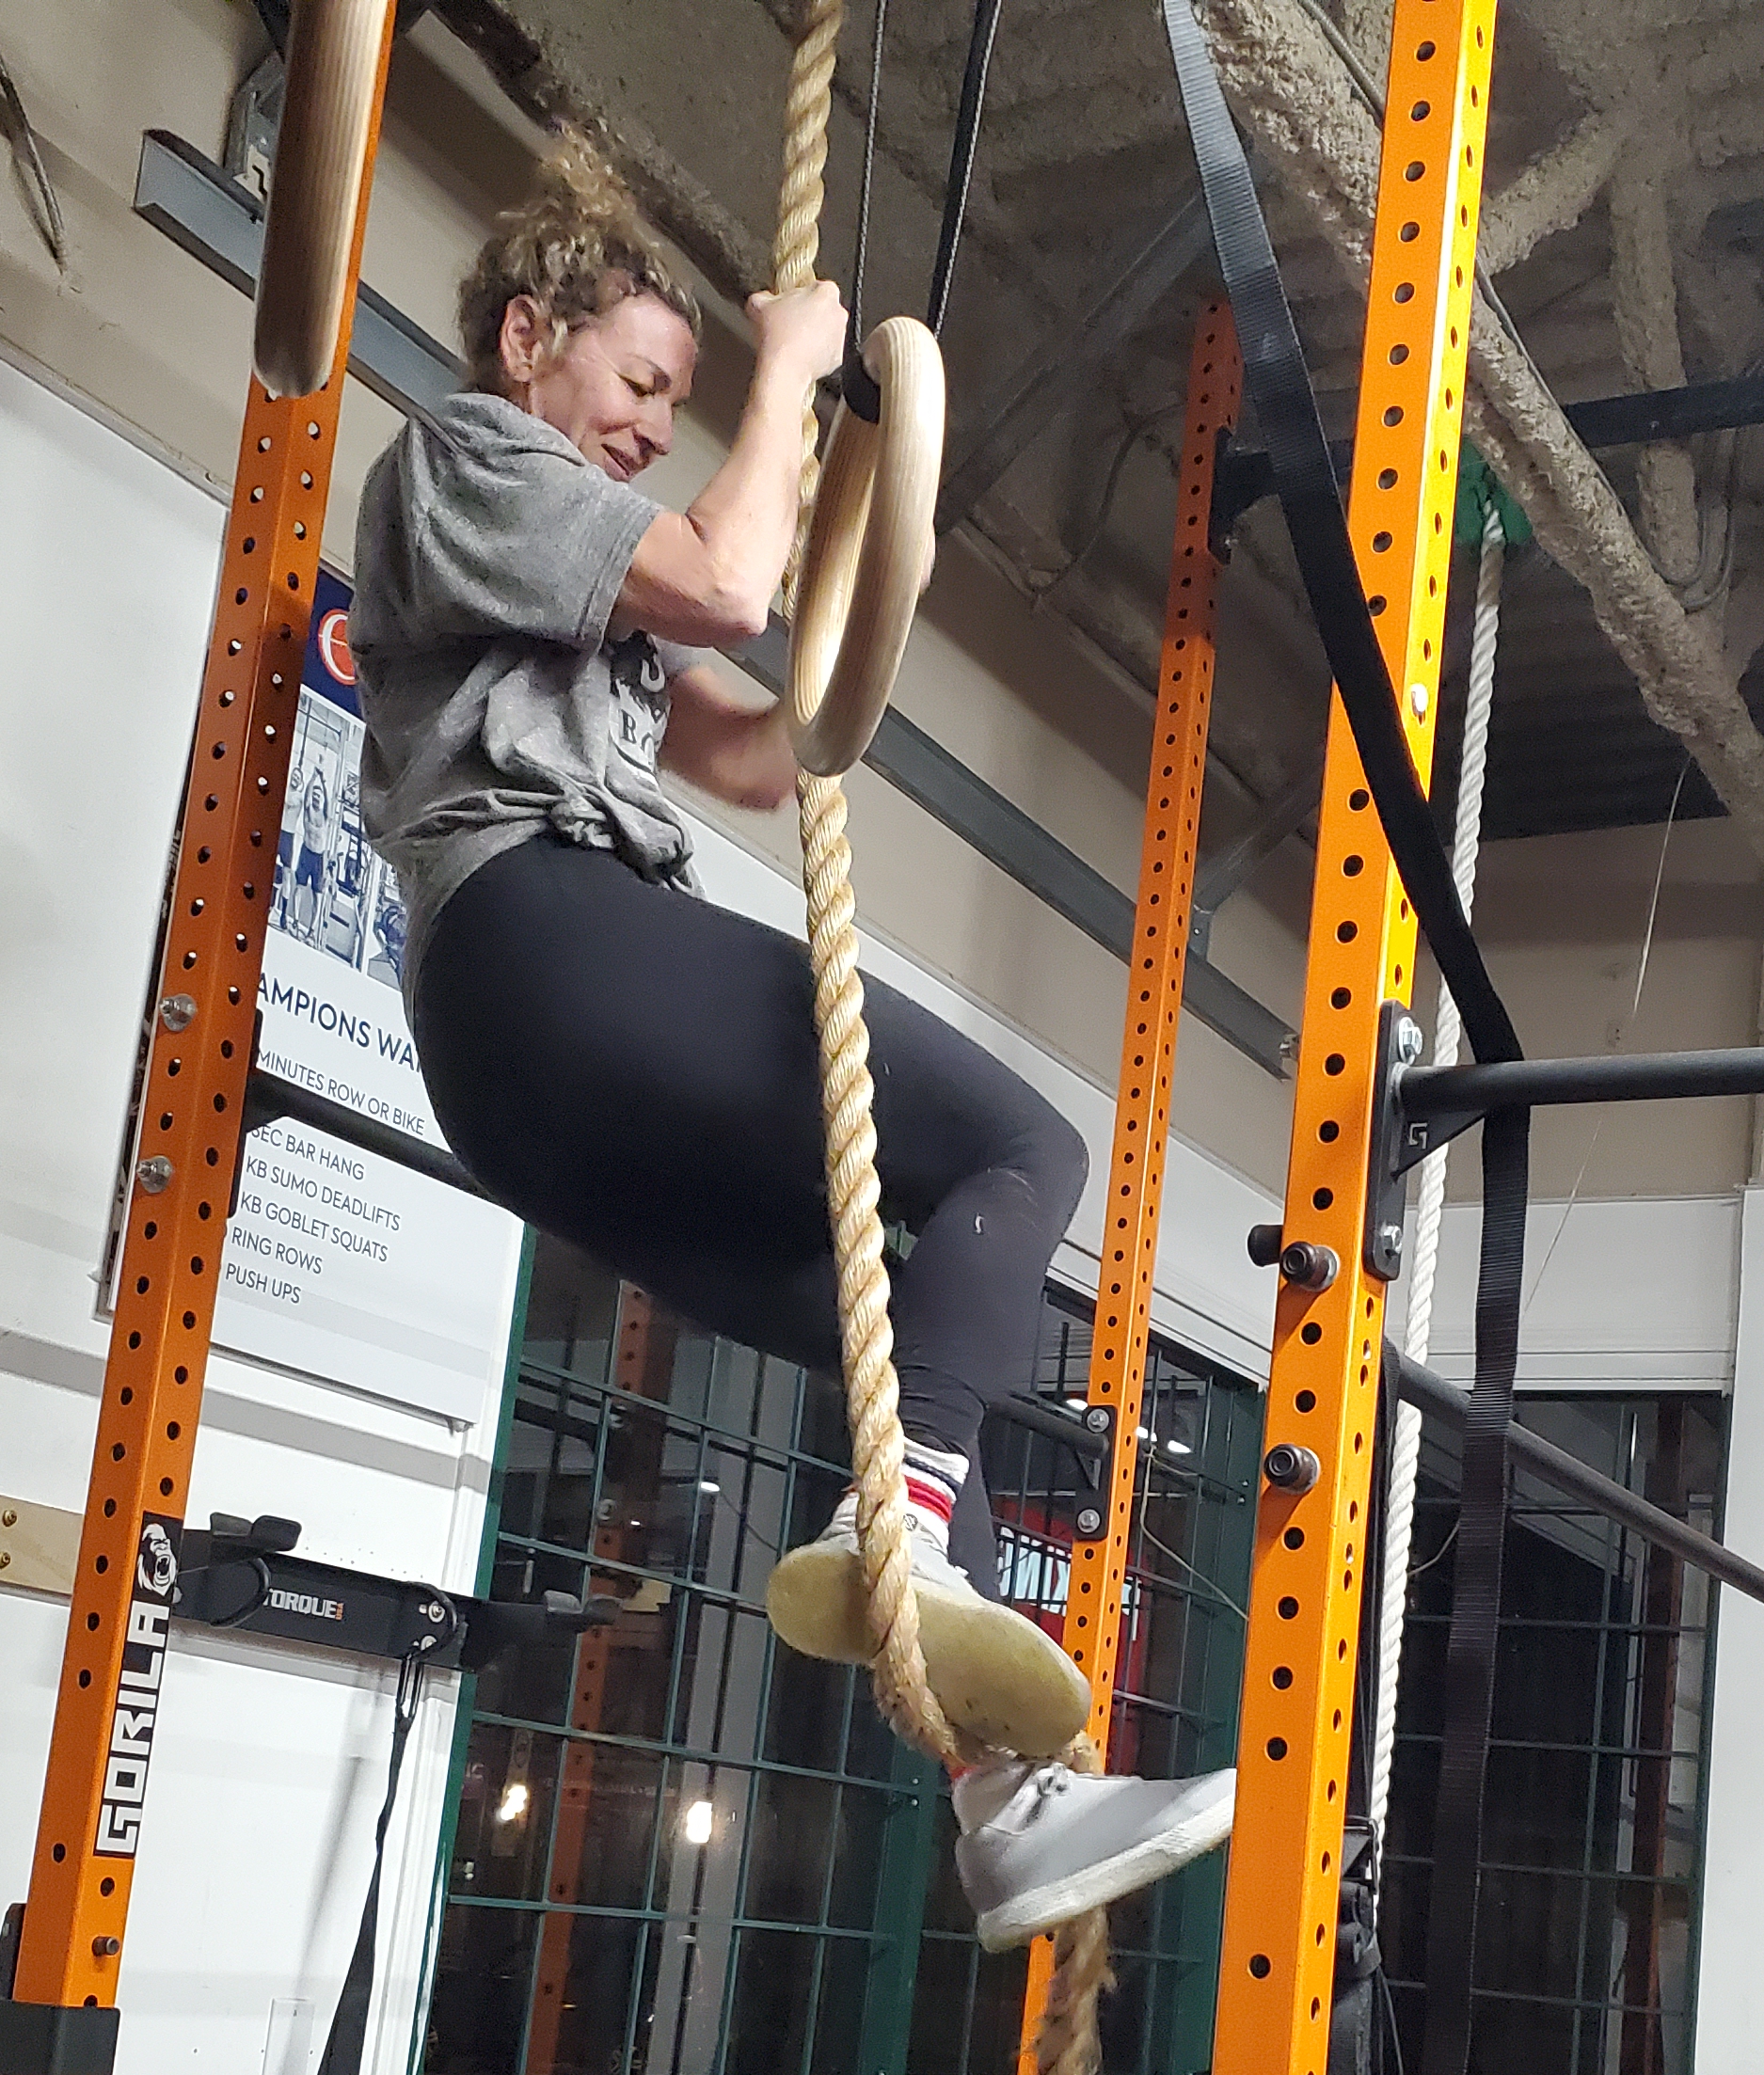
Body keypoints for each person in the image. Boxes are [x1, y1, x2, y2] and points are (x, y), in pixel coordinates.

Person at [348, 147, 1232, 1950]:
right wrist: (790, 366)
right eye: (643, 387)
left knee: (890, 1336)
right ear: (532, 340)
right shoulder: (472, 458)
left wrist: (853, 515)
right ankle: (896, 1516)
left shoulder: (587, 576)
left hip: (529, 1074)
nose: (656, 432)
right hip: (541, 942)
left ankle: (1005, 1808)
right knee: (1028, 1155)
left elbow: (767, 753)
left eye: (681, 407)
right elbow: (726, 588)